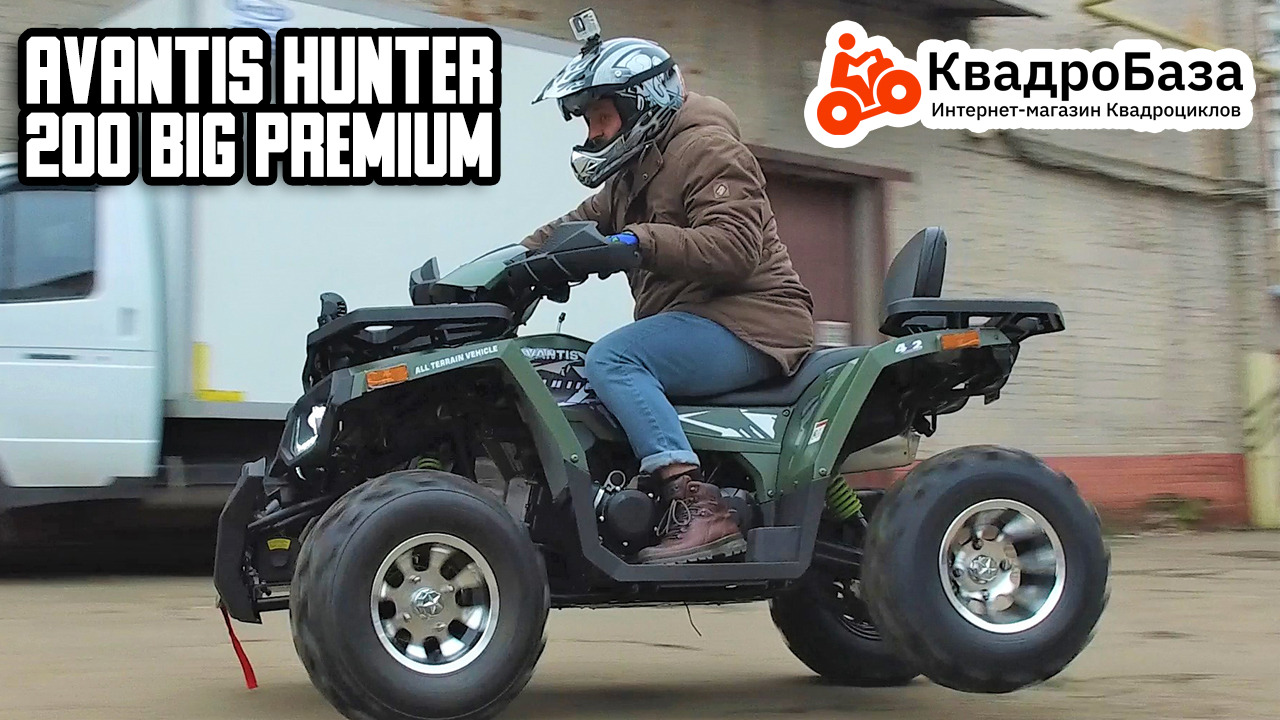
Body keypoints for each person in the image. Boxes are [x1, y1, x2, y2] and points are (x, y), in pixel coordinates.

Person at [522, 36, 815, 564]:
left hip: (752, 322)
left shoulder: (708, 150)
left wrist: (638, 242)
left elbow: (735, 247)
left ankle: (696, 504)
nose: (593, 133)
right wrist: (506, 267)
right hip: (698, 320)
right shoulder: (631, 178)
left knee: (614, 359)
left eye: (601, 118)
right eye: (587, 122)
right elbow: (568, 231)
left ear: (642, 104)